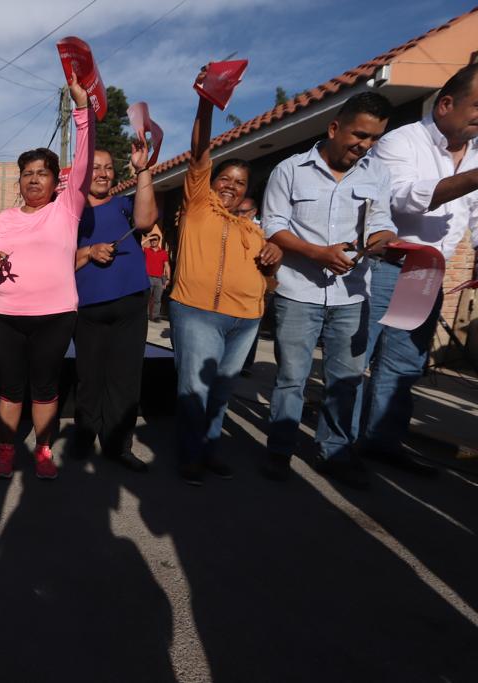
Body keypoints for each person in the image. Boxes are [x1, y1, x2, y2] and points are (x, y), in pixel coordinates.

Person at [261, 92, 397, 488]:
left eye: (374, 138)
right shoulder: (290, 170)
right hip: (298, 291)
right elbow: (274, 226)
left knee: (346, 379)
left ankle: (333, 452)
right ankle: (279, 451)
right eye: (359, 135)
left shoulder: (376, 174)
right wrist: (317, 253)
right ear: (334, 127)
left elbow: (381, 223)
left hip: (353, 296)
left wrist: (388, 242)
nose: (365, 145)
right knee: (291, 377)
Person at [358, 63, 478, 474]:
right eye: (477, 106)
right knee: (359, 357)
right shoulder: (401, 142)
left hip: (428, 275)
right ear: (446, 104)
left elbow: (476, 215)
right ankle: (341, 445)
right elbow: (405, 200)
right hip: (387, 266)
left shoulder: (477, 153)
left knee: (404, 363)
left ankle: (383, 442)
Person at [170, 66, 282, 486]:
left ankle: (210, 448)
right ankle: (190, 456)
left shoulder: (254, 231)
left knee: (220, 393)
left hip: (245, 321)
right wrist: (206, 100)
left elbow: (269, 283)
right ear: (212, 182)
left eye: (239, 182)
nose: (230, 186)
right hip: (197, 313)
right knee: (194, 392)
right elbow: (199, 152)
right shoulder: (198, 205)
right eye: (225, 179)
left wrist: (274, 259)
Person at [0, 72, 91, 481]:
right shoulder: (6, 217)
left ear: (57, 179)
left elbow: (86, 155)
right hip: (7, 315)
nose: (33, 179)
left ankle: (43, 450)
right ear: (20, 181)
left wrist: (82, 108)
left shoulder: (68, 208)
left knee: (44, 388)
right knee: (9, 388)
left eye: (42, 172)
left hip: (56, 315)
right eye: (27, 173)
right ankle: (6, 449)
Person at [71, 142, 157, 472]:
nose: (103, 173)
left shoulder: (125, 205)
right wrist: (89, 252)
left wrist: (143, 168)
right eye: (95, 167)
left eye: (108, 167)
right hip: (88, 306)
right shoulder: (71, 213)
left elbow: (147, 221)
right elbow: (57, 260)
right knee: (89, 377)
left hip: (131, 302)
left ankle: (118, 444)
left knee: (125, 378)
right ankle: (84, 435)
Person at [142, 234, 170, 322]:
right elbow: (140, 244)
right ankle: (144, 316)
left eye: (155, 240)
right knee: (146, 298)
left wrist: (167, 278)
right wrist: (148, 238)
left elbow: (166, 266)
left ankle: (155, 316)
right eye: (152, 240)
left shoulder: (163, 253)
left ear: (158, 241)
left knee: (157, 299)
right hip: (148, 277)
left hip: (159, 279)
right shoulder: (146, 250)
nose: (153, 241)